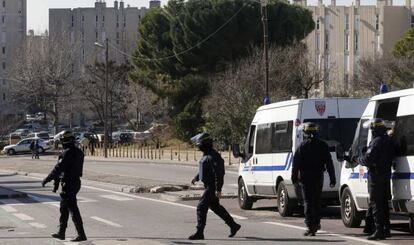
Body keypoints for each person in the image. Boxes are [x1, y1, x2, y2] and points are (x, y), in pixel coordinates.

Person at [188, 132, 241, 240]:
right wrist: (196, 177)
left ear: (205, 143)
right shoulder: (207, 155)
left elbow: (218, 174)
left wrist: (218, 189)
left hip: (212, 187)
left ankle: (200, 232)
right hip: (209, 186)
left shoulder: (213, 156)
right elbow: (205, 169)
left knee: (201, 207)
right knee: (216, 207)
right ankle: (233, 225)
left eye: (200, 143)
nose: (198, 146)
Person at [291, 122, 336, 236]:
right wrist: (332, 178)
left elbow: (295, 164)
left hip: (305, 179)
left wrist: (294, 179)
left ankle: (310, 226)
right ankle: (316, 223)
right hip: (318, 178)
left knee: (308, 202)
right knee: (316, 201)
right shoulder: (323, 145)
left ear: (305, 133)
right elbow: (329, 163)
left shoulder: (302, 146)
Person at [41, 130, 87, 242]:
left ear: (64, 141)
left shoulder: (66, 153)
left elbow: (59, 169)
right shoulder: (79, 152)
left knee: (73, 209)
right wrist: (56, 183)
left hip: (69, 183)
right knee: (64, 208)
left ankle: (81, 234)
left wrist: (47, 179)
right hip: (75, 182)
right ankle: (61, 232)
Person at [357, 118, 394, 240]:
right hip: (385, 175)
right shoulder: (388, 140)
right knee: (384, 203)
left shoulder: (376, 142)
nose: (371, 131)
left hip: (376, 176)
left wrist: (359, 159)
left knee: (376, 203)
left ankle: (378, 230)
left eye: (372, 129)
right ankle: (386, 229)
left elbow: (368, 159)